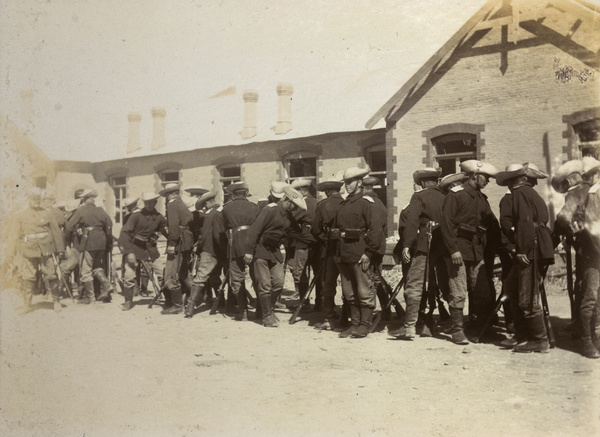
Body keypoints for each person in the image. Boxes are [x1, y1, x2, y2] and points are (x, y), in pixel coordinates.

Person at [440, 160, 500, 345]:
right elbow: (446, 224)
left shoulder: (482, 199)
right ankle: (457, 330)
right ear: (475, 176)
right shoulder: (455, 195)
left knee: (481, 289)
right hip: (458, 249)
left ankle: (481, 327)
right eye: (486, 178)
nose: (487, 181)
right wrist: (453, 250)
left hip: (477, 251)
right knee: (458, 291)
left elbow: (492, 224)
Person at [496, 163, 554, 353]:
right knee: (511, 288)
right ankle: (522, 336)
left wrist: (522, 249)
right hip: (536, 246)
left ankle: (539, 340)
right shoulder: (531, 194)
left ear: (515, 180)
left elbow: (525, 223)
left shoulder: (520, 194)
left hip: (531, 249)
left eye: (510, 182)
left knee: (527, 298)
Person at [389, 167, 447, 340]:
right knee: (434, 285)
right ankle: (430, 322)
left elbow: (412, 222)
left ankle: (409, 327)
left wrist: (407, 245)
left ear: (422, 182)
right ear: (436, 181)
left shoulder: (419, 196)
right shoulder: (446, 198)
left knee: (414, 285)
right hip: (442, 247)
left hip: (422, 246)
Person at [333, 166, 385, 338]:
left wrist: (369, 253)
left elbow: (376, 231)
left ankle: (364, 324)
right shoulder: (343, 203)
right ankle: (354, 324)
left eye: (350, 182)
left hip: (360, 253)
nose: (347, 185)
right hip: (344, 253)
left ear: (360, 182)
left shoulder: (367, 203)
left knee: (364, 290)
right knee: (348, 291)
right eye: (346, 182)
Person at [244, 185, 307, 327]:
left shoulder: (289, 215)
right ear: (287, 200)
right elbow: (254, 230)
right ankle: (266, 316)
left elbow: (294, 232)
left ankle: (267, 310)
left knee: (278, 283)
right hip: (260, 251)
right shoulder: (269, 210)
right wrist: (249, 250)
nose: (295, 209)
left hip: (274, 251)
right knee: (265, 284)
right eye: (294, 205)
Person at [8, 187, 65, 313]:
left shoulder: (48, 213)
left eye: (38, 198)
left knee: (51, 274)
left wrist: (60, 250)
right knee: (27, 277)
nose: (36, 201)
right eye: (33, 198)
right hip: (28, 249)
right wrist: (10, 254)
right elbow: (13, 235)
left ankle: (56, 301)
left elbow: (56, 232)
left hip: (46, 249)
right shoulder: (21, 215)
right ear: (29, 199)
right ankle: (27, 304)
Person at [552, 159, 589, 335]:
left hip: (584, 247)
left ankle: (582, 324)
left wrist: (560, 233)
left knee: (582, 284)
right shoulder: (591, 189)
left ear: (569, 180)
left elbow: (563, 218)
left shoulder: (574, 194)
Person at [213, 181, 259, 321]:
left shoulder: (225, 209)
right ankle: (260, 311)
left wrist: (224, 248)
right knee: (257, 276)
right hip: (253, 244)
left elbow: (219, 232)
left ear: (233, 194)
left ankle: (243, 311)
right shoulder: (255, 207)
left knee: (237, 278)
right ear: (246, 193)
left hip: (234, 244)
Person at [118, 192, 168, 310]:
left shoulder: (160, 217)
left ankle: (169, 300)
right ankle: (128, 300)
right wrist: (129, 252)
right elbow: (125, 233)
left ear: (155, 202)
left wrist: (156, 237)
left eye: (151, 202)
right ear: (144, 203)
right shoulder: (135, 216)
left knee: (161, 273)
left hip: (151, 249)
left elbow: (164, 231)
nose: (149, 204)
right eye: (146, 202)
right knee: (129, 275)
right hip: (134, 248)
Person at [572, 157, 600, 358]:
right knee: (590, 297)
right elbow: (593, 229)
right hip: (594, 254)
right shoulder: (593, 193)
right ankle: (587, 341)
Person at [65, 189, 114, 304]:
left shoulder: (81, 210)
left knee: (86, 270)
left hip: (89, 241)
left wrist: (68, 238)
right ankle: (106, 285)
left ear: (84, 199)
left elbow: (69, 227)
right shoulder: (100, 210)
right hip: (101, 242)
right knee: (96, 266)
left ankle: (90, 298)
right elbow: (110, 224)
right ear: (93, 199)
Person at [311, 177, 345, 330]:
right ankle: (346, 315)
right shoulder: (347, 202)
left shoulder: (322, 205)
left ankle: (329, 316)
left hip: (330, 248)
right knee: (348, 283)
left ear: (327, 191)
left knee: (328, 282)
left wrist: (324, 239)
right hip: (347, 248)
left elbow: (316, 229)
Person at [185, 191, 224, 318]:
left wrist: (200, 247)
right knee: (216, 277)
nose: (204, 208)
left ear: (208, 203)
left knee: (201, 277)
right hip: (223, 250)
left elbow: (205, 233)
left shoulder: (209, 214)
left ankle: (190, 306)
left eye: (204, 205)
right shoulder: (222, 210)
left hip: (210, 250)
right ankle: (222, 302)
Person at [362, 175, 393, 323]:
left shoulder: (367, 203)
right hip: (379, 246)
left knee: (370, 279)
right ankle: (386, 310)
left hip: (370, 246)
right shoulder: (380, 202)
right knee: (377, 278)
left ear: (364, 188)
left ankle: (371, 312)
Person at [159, 183, 194, 314]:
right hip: (186, 242)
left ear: (170, 194)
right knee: (184, 274)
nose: (166, 198)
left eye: (167, 195)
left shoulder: (172, 204)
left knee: (170, 276)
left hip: (178, 242)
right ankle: (198, 297)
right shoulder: (182, 204)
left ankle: (178, 305)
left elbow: (173, 226)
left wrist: (172, 243)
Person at [289, 178, 320, 311]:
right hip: (317, 241)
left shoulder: (303, 203)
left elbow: (292, 218)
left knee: (299, 271)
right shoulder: (317, 201)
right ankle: (320, 302)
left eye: (296, 192)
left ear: (302, 190)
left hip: (304, 241)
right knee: (318, 272)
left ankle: (303, 301)